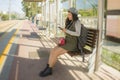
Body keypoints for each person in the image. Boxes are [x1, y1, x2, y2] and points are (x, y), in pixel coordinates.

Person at [39, 7, 81, 77]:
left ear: (74, 15)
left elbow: (78, 33)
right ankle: (48, 66)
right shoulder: (70, 22)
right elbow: (69, 32)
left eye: (69, 15)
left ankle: (49, 69)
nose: (68, 16)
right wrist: (64, 31)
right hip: (67, 41)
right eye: (68, 14)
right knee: (53, 50)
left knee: (55, 53)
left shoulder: (77, 22)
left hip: (72, 44)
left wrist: (66, 31)